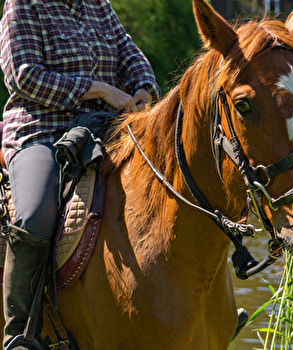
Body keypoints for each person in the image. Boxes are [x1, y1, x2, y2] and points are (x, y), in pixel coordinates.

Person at [0, 0, 161, 348]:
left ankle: (194, 313)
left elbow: (130, 56)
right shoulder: (23, 5)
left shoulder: (98, 6)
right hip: (41, 131)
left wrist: (143, 89)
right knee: (33, 214)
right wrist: (99, 89)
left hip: (104, 129)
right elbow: (23, 75)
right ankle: (19, 334)